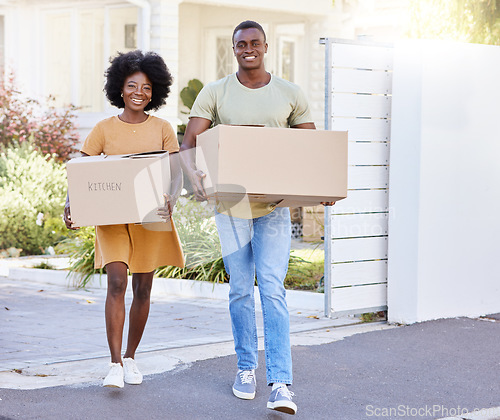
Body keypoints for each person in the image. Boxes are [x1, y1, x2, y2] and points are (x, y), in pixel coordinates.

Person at [180, 20, 321, 415]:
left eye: (255, 43)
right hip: (231, 206)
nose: (248, 49)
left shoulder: (289, 93)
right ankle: (246, 368)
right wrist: (196, 180)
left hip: (273, 207)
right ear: (234, 48)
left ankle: (280, 381)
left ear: (265, 46)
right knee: (241, 288)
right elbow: (189, 143)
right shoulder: (216, 92)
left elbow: (312, 150)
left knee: (272, 289)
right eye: (241, 44)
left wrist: (320, 191)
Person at [64, 50, 184, 388]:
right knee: (117, 282)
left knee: (143, 289)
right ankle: (114, 363)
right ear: (120, 88)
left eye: (147, 88)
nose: (139, 93)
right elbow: (81, 174)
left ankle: (131, 357)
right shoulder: (103, 129)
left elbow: (175, 175)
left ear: (154, 92)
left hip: (151, 217)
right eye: (133, 86)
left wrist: (171, 199)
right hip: (113, 219)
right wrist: (70, 204)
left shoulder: (162, 128)